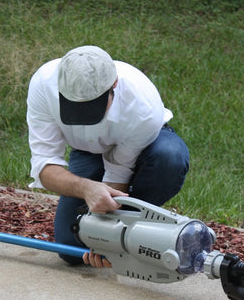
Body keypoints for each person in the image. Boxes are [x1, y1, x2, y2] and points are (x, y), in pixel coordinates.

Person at [26, 45, 190, 267]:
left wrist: (107, 236)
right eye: (74, 108)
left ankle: (140, 230)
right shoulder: (43, 84)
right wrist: (87, 189)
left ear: (114, 84)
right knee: (71, 250)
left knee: (170, 157)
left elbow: (118, 174)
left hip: (146, 146)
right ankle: (128, 232)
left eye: (92, 107)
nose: (83, 116)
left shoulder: (142, 106)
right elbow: (45, 166)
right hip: (88, 152)